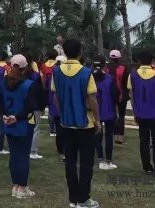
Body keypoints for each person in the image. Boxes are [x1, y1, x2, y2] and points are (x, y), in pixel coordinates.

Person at [52, 38, 101, 208]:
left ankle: (73, 198)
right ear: (80, 52)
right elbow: (92, 99)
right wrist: (97, 120)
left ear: (65, 52)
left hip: (66, 123)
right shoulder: (86, 72)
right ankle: (84, 198)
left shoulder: (56, 72)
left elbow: (56, 96)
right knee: (86, 163)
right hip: (85, 124)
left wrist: (62, 113)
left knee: (70, 163)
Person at [0, 54, 39, 199]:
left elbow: (0, 102)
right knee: (22, 156)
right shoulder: (28, 84)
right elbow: (31, 106)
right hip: (23, 122)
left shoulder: (3, 82)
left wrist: (5, 115)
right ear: (24, 68)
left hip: (8, 121)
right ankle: (21, 187)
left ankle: (16, 186)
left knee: (14, 154)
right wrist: (16, 117)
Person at [127, 51, 155, 175]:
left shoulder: (132, 75)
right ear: (152, 61)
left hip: (141, 114)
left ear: (139, 61)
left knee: (144, 141)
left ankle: (147, 167)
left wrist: (135, 112)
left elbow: (132, 96)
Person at [92, 55, 119, 170]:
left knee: (97, 136)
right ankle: (108, 161)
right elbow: (115, 95)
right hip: (108, 110)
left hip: (95, 111)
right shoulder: (110, 78)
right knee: (108, 136)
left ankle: (100, 159)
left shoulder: (90, 77)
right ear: (104, 65)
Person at [25, 54, 46, 160]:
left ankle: (25, 149)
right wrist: (42, 106)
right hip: (34, 106)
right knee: (35, 128)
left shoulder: (18, 75)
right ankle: (32, 151)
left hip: (23, 106)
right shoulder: (35, 76)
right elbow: (40, 92)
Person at [107, 50, 128, 145]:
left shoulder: (107, 68)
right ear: (119, 58)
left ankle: (115, 136)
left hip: (111, 94)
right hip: (121, 94)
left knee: (114, 115)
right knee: (121, 115)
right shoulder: (123, 68)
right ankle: (121, 137)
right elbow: (126, 83)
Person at [41, 49, 58, 136]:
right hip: (56, 88)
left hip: (47, 89)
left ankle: (52, 129)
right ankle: (56, 127)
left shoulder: (44, 65)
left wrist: (44, 88)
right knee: (57, 107)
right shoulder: (57, 65)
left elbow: (42, 78)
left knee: (50, 108)